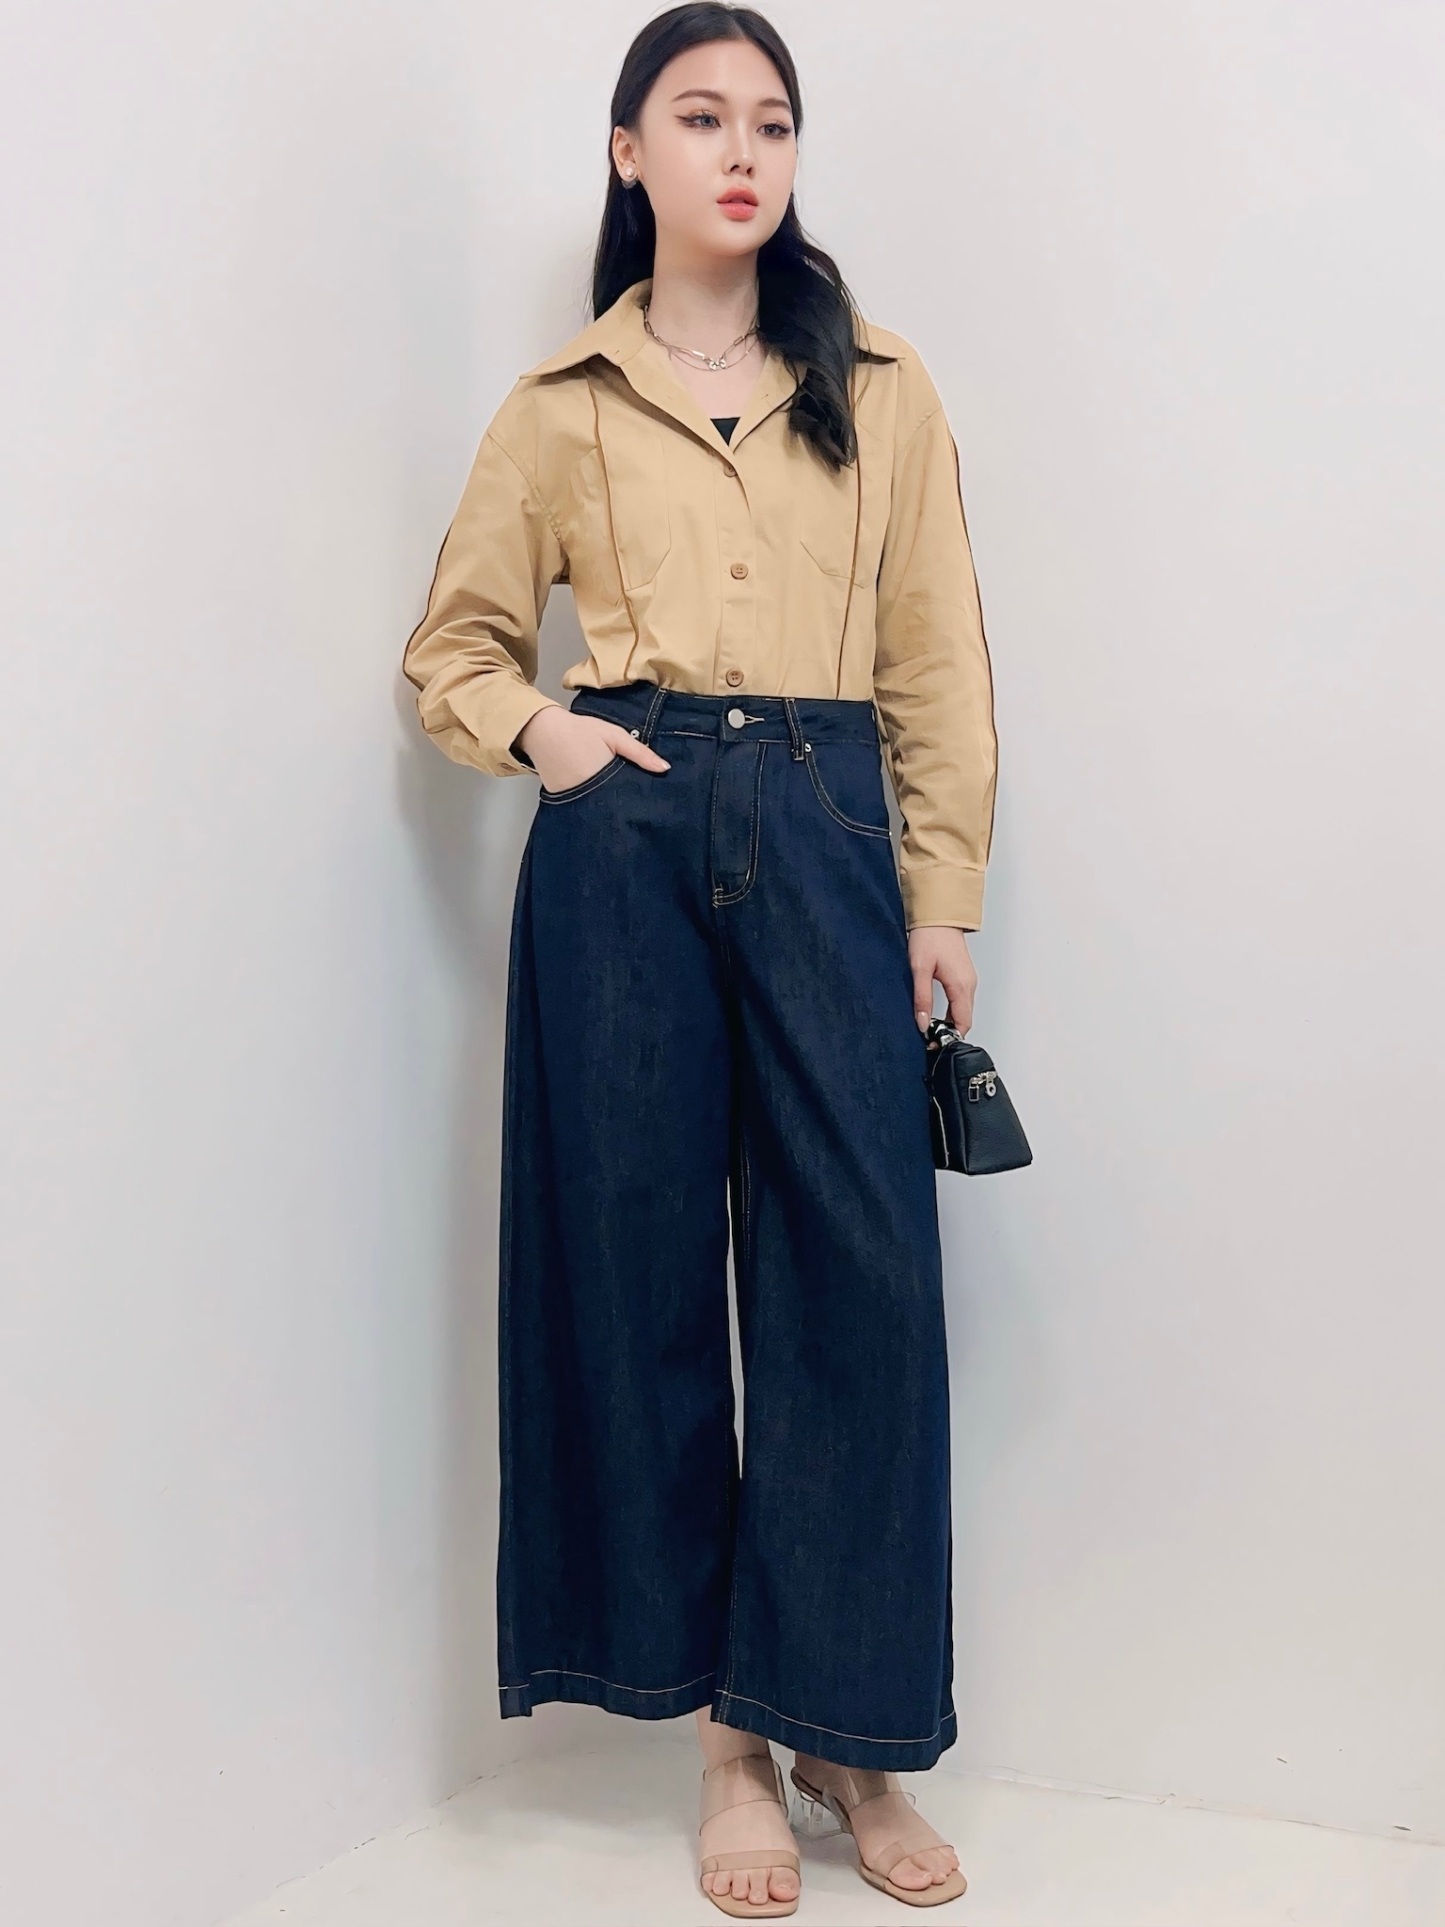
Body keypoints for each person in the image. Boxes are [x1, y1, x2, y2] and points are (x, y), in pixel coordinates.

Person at [402, 4, 996, 1914]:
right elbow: (452, 648)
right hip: (628, 837)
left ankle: (849, 1739)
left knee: (855, 1293)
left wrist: (940, 898)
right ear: (627, 151)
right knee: (636, 1271)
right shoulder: (557, 406)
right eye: (701, 116)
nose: (742, 152)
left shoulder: (878, 383)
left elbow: (932, 656)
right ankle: (728, 1752)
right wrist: (550, 734)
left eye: (772, 122)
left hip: (827, 827)